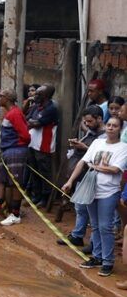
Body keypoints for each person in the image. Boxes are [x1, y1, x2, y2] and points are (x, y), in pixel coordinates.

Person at [63, 116, 127, 278]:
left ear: (120, 129)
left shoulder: (123, 148)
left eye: (115, 126)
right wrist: (70, 181)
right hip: (91, 190)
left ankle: (108, 261)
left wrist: (95, 167)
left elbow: (115, 169)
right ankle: (97, 257)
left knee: (105, 227)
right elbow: (82, 162)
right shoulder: (97, 143)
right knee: (96, 226)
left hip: (109, 191)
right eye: (109, 124)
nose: (110, 128)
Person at [55, 106, 105, 245]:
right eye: (85, 121)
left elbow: (101, 156)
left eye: (89, 121)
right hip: (82, 175)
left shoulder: (105, 136)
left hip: (95, 177)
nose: (87, 124)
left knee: (95, 215)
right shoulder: (91, 132)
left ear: (99, 119)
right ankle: (77, 235)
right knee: (80, 207)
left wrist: (84, 148)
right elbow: (83, 160)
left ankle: (95, 244)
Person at [0, 91, 32, 227]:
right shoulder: (11, 113)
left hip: (15, 150)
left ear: (7, 99)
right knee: (1, 181)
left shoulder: (15, 113)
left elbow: (26, 136)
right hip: (7, 151)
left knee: (15, 183)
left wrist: (15, 145)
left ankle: (15, 214)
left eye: (0, 97)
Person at [26, 85, 59, 205]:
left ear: (46, 96)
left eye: (38, 94)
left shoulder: (51, 108)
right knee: (34, 170)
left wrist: (32, 122)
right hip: (32, 143)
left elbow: (36, 123)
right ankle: (37, 195)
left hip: (43, 145)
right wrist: (32, 122)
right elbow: (27, 119)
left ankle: (46, 197)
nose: (35, 96)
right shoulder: (36, 106)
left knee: (44, 171)